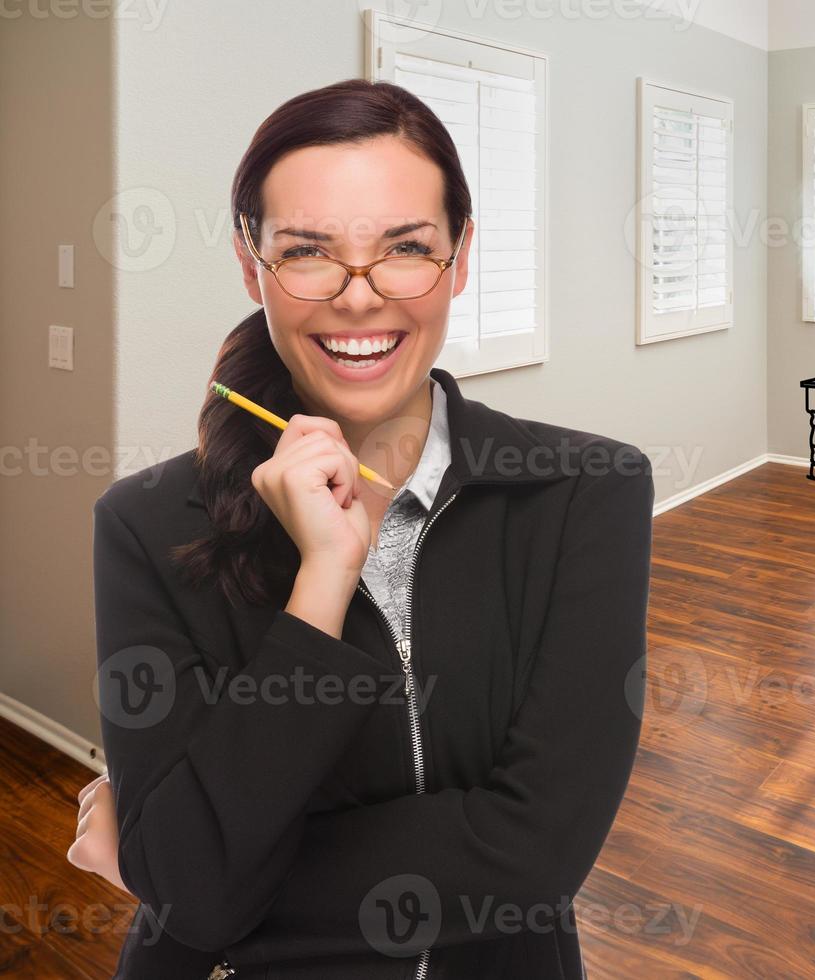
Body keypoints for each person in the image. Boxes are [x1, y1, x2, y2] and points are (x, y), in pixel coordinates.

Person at [68, 78, 653, 979]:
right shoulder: (142, 526)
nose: (358, 296)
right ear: (250, 264)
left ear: (460, 257)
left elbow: (533, 855)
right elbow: (192, 887)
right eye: (307, 252)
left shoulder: (588, 492)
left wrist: (166, 869)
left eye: (406, 249)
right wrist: (320, 588)